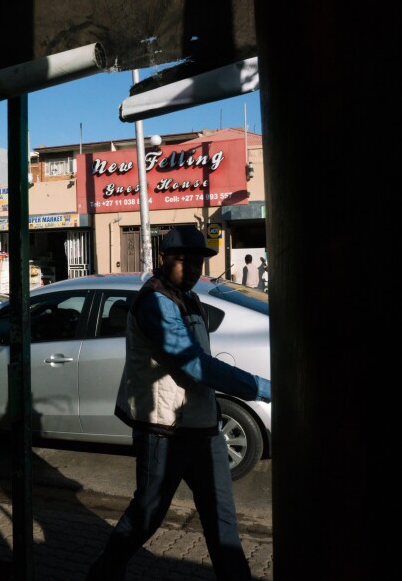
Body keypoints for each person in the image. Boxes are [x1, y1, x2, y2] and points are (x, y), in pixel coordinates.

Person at [86, 225, 271, 581]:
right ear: (162, 259)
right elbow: (194, 363)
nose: (191, 268)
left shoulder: (190, 298)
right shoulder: (155, 302)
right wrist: (262, 387)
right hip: (165, 432)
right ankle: (103, 574)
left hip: (203, 428)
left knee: (222, 520)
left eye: (198, 262)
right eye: (182, 260)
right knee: (147, 515)